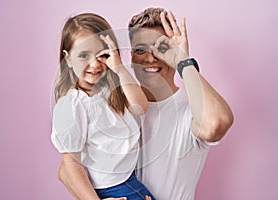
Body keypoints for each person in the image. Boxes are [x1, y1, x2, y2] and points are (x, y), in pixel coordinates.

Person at [128, 7, 234, 200]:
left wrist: (183, 61)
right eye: (141, 49)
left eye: (161, 48)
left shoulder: (193, 108)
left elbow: (216, 124)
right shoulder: (119, 106)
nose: (150, 58)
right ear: (131, 56)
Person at [51, 13, 155, 200]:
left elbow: (140, 107)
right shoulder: (72, 105)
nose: (94, 64)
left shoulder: (112, 89)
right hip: (109, 188)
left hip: (130, 180)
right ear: (67, 58)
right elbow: (71, 165)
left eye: (102, 55)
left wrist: (119, 67)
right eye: (83, 55)